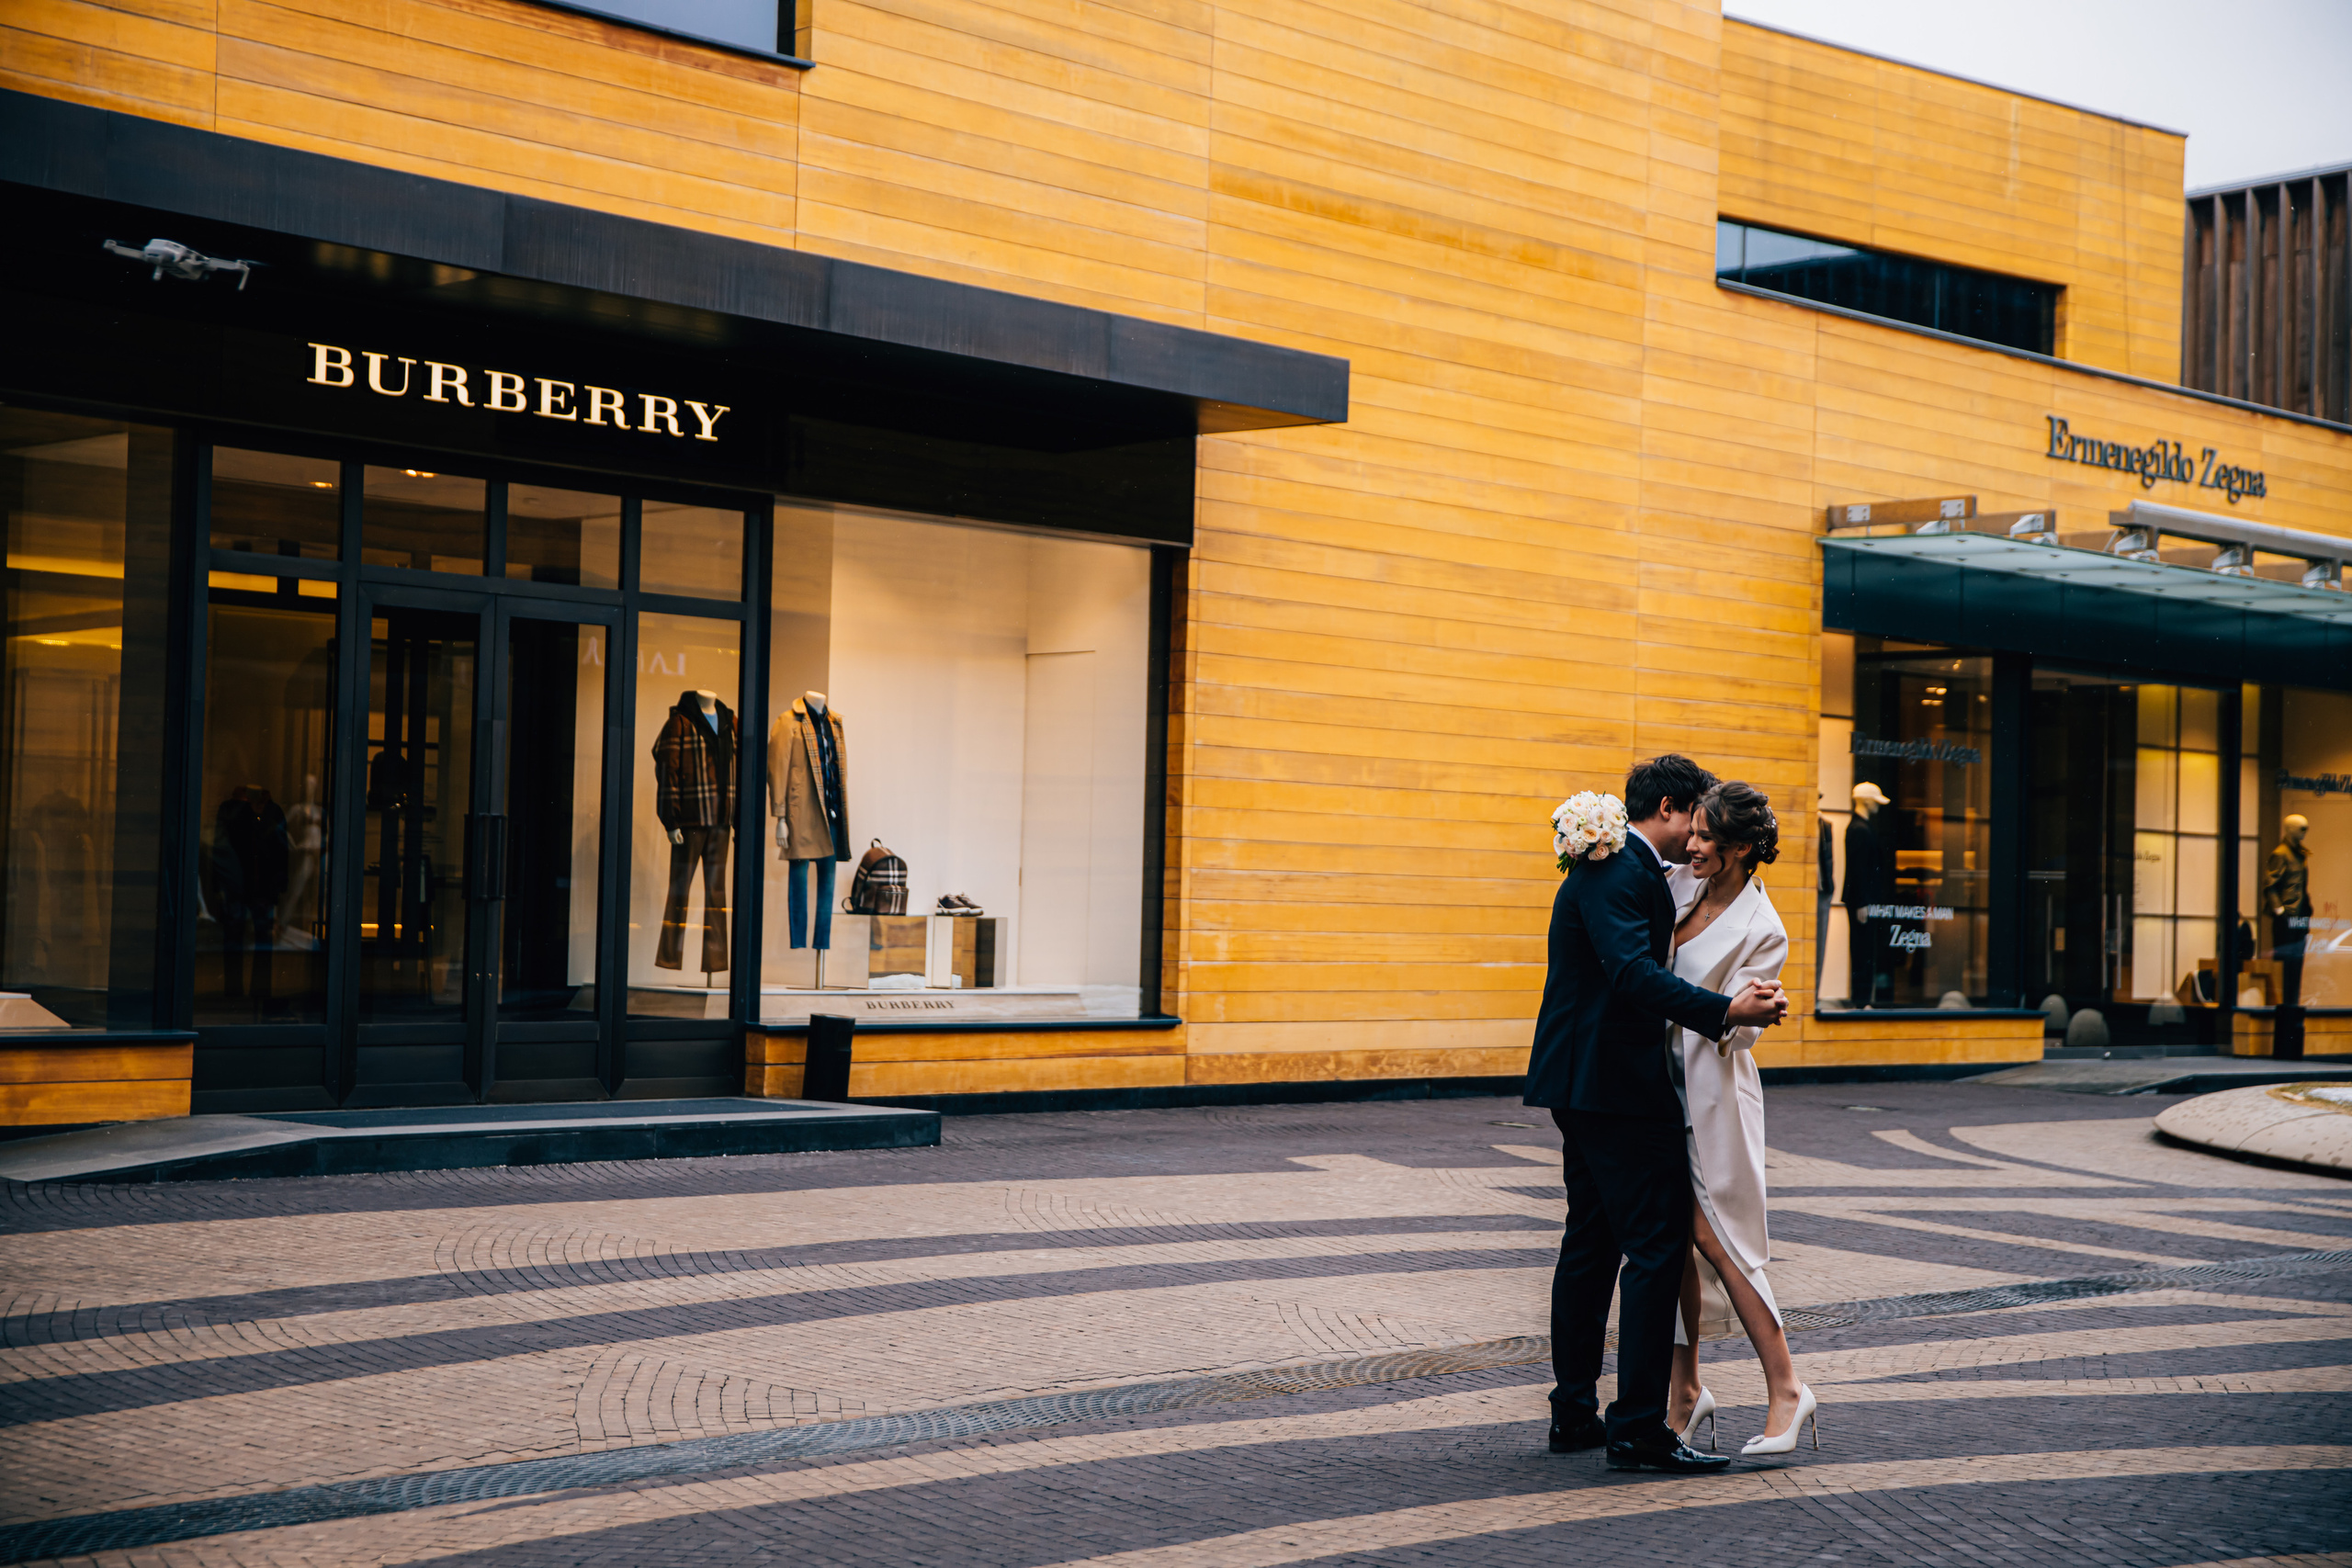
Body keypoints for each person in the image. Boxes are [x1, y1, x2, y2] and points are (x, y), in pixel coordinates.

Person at [1524, 754, 1789, 1474]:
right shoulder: (1620, 871)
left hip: (1586, 1084)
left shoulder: (1637, 869)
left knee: (1590, 1245)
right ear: (1669, 808)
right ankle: (1639, 1426)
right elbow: (1632, 975)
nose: (1694, 840)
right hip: (1614, 1090)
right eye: (1692, 822)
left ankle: (1575, 1411)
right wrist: (1725, 1009)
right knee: (1654, 1247)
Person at [1662, 782, 1819, 1457]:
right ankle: (1684, 1393)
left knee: (1721, 1241)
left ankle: (1787, 1388)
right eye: (1691, 831)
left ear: (1741, 849)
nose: (1690, 845)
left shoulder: (1766, 929)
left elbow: (1742, 1034)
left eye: (1705, 838)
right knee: (1668, 1241)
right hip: (1654, 1090)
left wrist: (1740, 1015)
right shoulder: (1674, 885)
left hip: (1713, 1099)